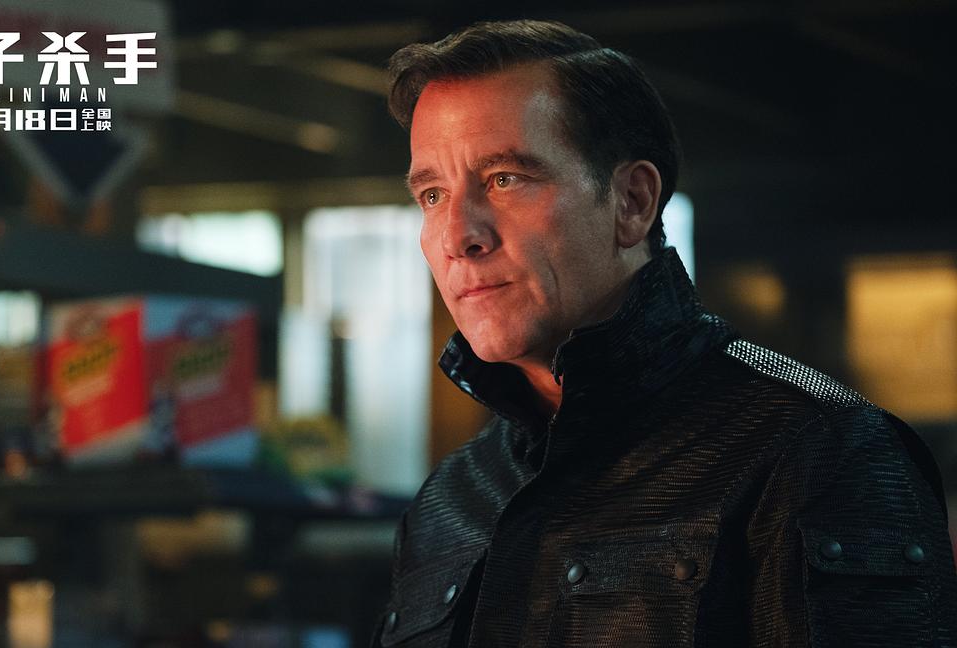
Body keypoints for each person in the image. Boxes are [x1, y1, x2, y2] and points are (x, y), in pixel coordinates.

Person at [371, 19, 957, 648]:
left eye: (505, 179)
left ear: (632, 201)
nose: (459, 235)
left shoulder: (819, 449)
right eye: (432, 195)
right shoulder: (450, 497)